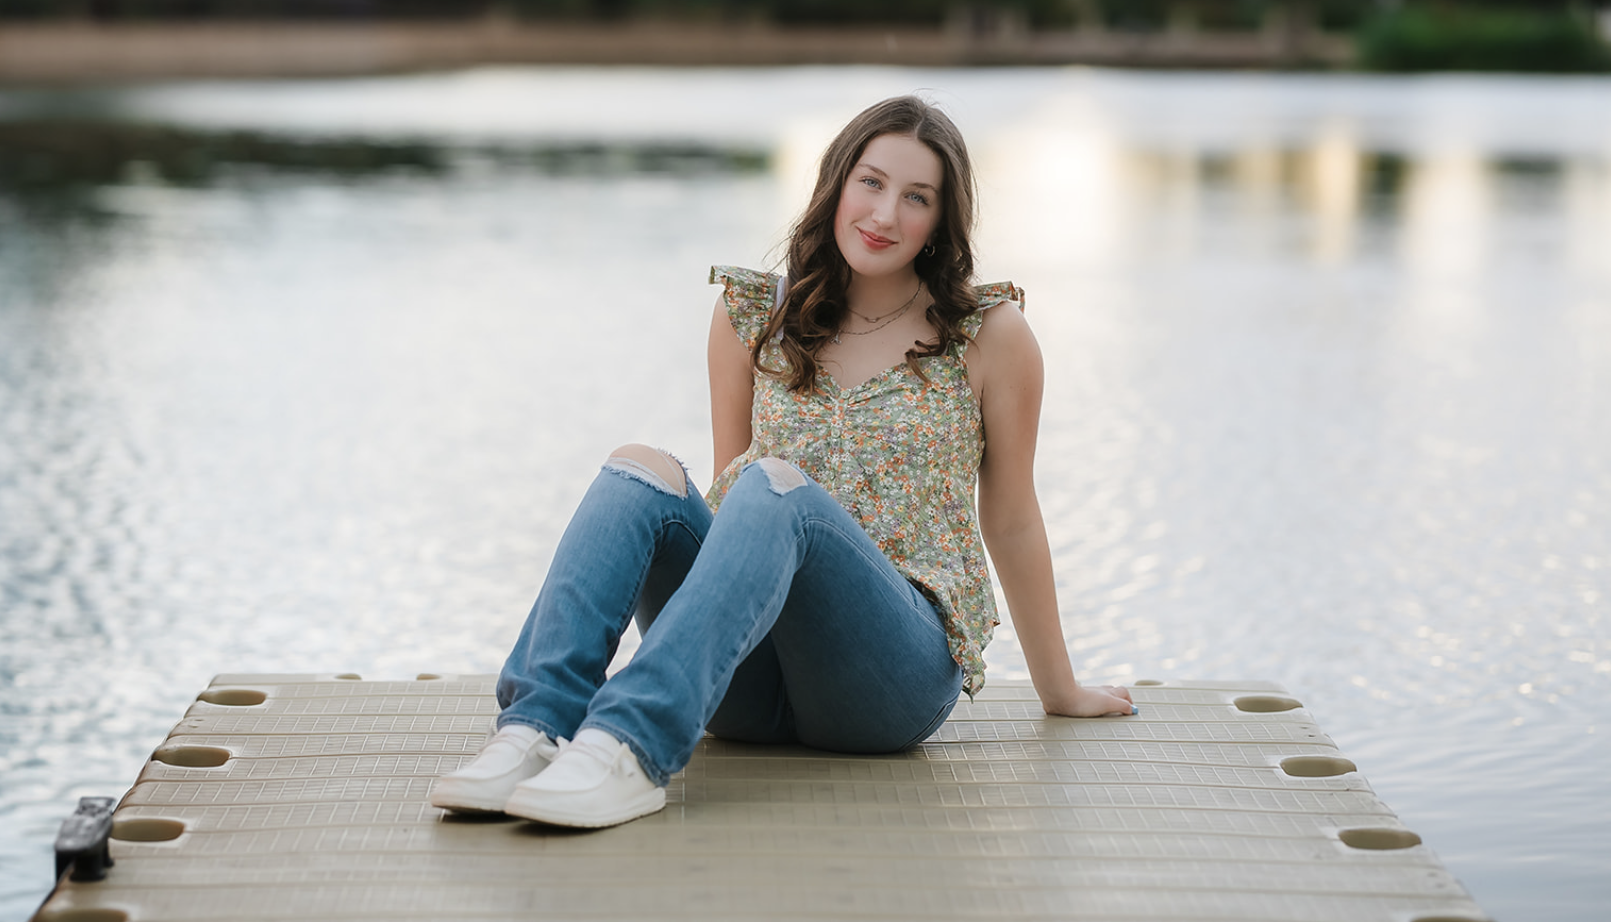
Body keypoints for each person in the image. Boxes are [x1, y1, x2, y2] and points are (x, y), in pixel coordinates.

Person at [428, 95, 1136, 829]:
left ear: (941, 220)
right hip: (746, 681)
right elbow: (729, 502)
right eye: (870, 182)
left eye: (916, 197)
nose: (885, 213)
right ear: (835, 183)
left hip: (890, 677)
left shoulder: (988, 335)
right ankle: (533, 732)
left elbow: (1013, 518)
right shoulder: (755, 315)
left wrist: (1060, 689)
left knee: (777, 486)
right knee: (640, 467)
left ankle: (631, 750)